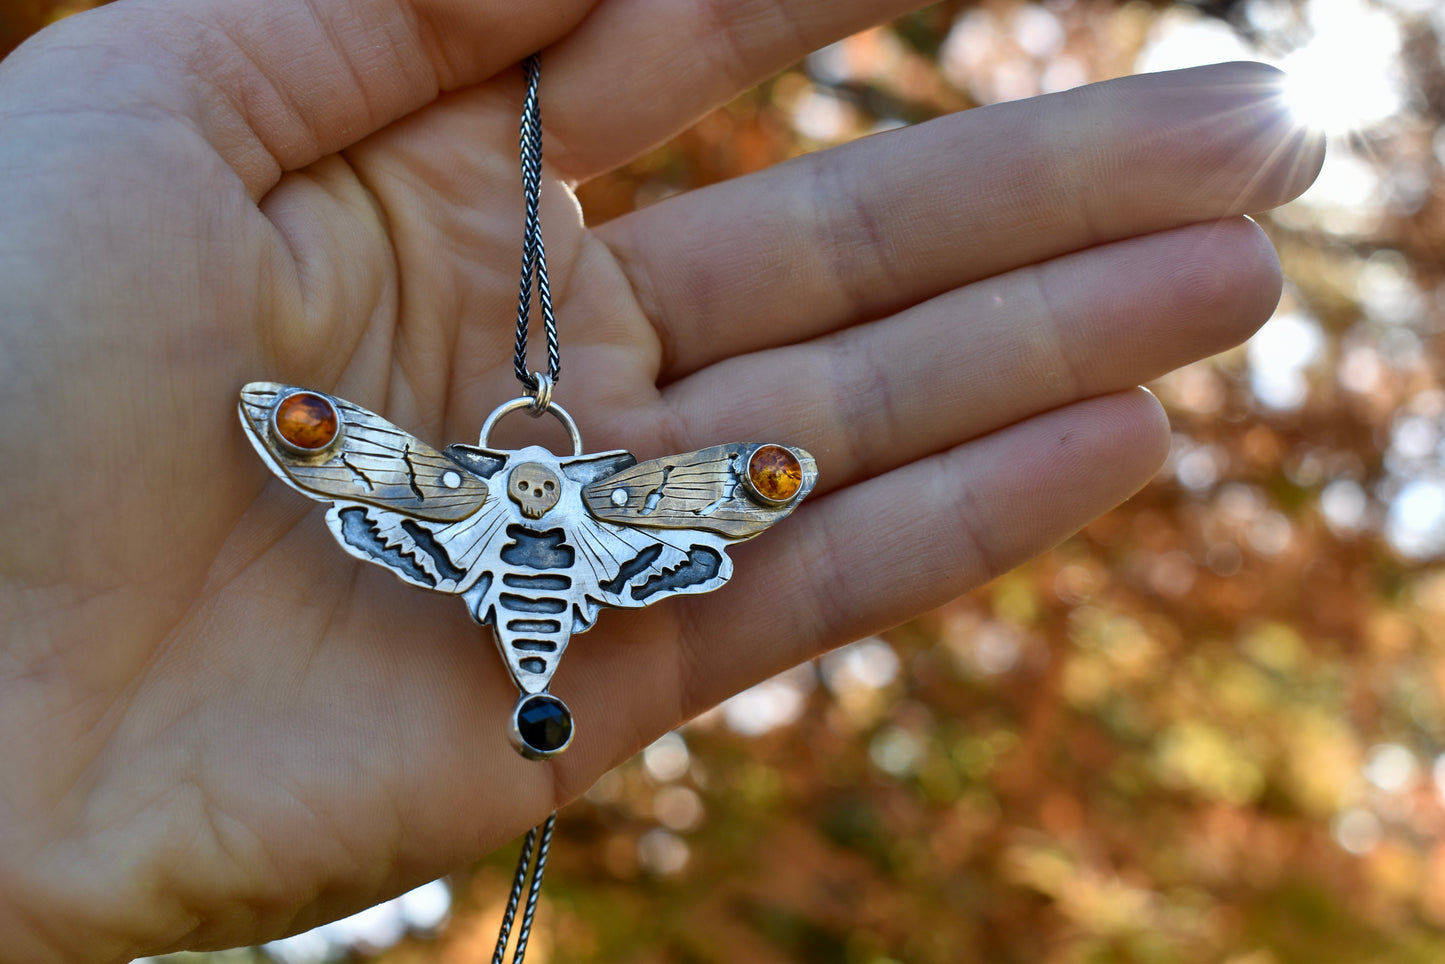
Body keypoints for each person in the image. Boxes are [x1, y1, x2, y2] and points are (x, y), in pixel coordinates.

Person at [0, 0, 1323, 960]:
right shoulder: (581, 488)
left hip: (478, 578)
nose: (524, 481)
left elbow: (762, 475)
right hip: (557, 581)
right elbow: (759, 475)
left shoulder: (468, 482)